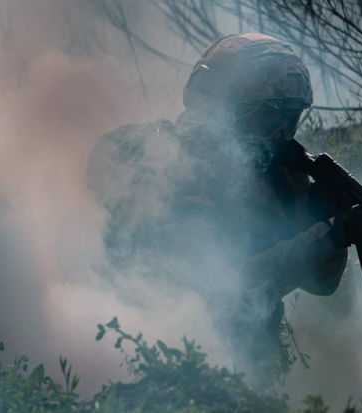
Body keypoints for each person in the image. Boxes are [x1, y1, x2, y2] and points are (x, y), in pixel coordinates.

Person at [87, 33, 348, 385]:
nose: (281, 134)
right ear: (220, 106)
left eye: (291, 119)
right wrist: (326, 237)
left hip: (242, 371)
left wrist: (324, 219)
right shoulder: (164, 160)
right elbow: (219, 285)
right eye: (267, 117)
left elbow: (321, 283)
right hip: (149, 366)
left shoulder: (275, 179)